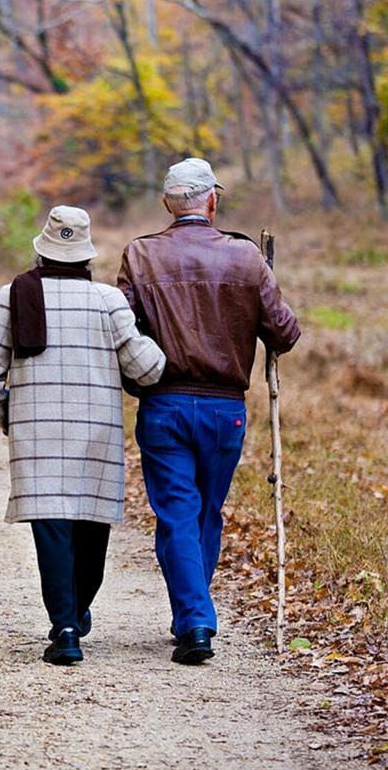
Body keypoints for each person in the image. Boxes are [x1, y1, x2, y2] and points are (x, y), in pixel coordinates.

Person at [117, 158, 301, 665]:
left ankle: (193, 618)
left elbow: (120, 327)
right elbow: (285, 333)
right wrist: (264, 285)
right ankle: (195, 617)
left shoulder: (141, 255)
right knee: (205, 512)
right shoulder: (245, 258)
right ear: (212, 201)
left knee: (178, 512)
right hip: (225, 410)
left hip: (164, 402)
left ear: (166, 205)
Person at [0, 205, 166, 666]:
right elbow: (148, 369)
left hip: (36, 438)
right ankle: (75, 614)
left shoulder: (14, 295)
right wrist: (155, 338)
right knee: (89, 529)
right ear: (86, 257)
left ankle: (65, 627)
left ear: (42, 252)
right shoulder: (108, 301)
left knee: (52, 530)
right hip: (95, 434)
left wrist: (10, 416)